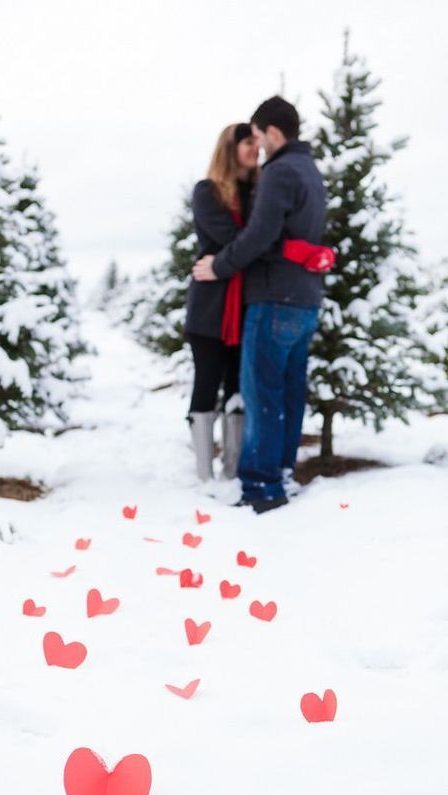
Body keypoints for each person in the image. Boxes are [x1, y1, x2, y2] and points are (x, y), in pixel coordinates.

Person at [193, 96, 327, 513]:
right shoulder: (310, 170)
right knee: (288, 394)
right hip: (305, 300)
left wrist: (219, 266)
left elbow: (259, 236)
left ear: (271, 132)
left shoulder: (278, 172)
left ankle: (262, 485)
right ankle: (280, 473)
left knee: (263, 394)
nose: (257, 147)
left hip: (273, 298)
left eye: (257, 136)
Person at [185, 122, 259, 482]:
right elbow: (236, 239)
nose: (254, 148)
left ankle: (231, 470)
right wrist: (258, 239)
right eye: (247, 142)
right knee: (207, 383)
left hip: (248, 304)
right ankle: (203, 474)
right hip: (210, 307)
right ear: (230, 148)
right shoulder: (208, 192)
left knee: (238, 387)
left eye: (256, 142)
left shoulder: (261, 191)